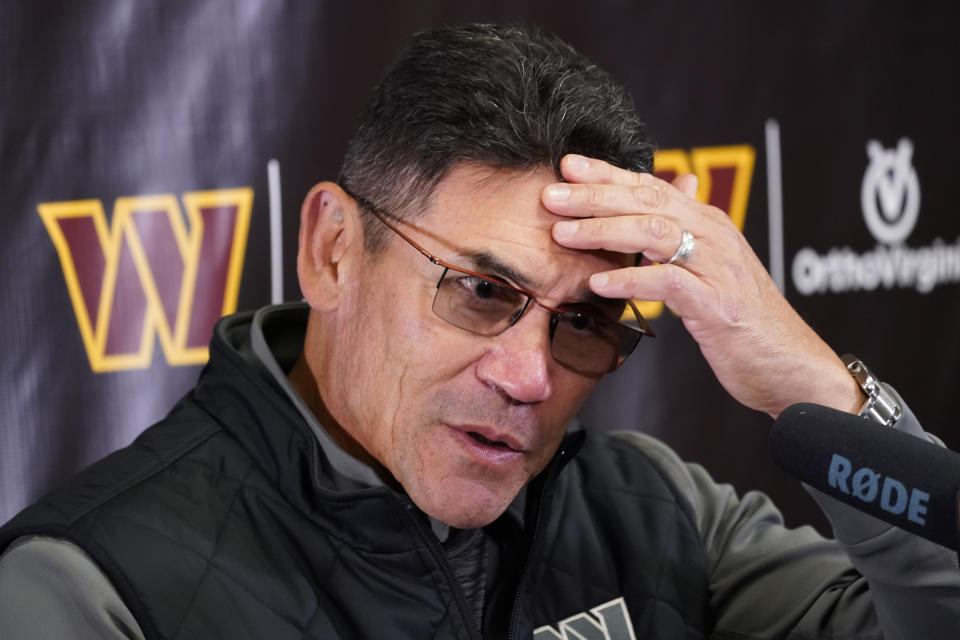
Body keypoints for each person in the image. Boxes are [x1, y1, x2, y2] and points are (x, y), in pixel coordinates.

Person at [1, 23, 957, 640]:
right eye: (479, 291)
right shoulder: (89, 589)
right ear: (334, 249)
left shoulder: (661, 518)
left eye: (584, 322)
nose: (529, 376)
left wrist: (822, 394)